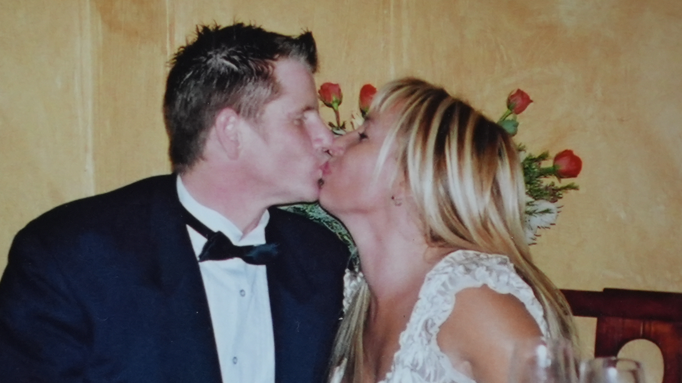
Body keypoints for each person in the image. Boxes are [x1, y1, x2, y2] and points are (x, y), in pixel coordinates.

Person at [0, 23, 349, 383]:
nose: (328, 139)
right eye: (301, 119)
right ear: (231, 132)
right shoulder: (68, 257)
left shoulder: (323, 258)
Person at [319, 78, 577, 383]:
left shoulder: (475, 300)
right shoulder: (359, 298)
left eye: (363, 135)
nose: (333, 143)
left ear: (408, 179)